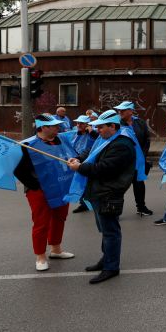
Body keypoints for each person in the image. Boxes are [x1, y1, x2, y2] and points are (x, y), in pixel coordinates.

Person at [66, 111, 137, 284]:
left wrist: (80, 168)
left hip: (109, 193)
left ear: (113, 126)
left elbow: (104, 168)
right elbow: (92, 153)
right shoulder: (106, 139)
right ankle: (106, 259)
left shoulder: (122, 144)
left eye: (101, 126)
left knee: (111, 231)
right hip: (99, 192)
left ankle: (111, 267)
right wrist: (78, 158)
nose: (97, 130)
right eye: (97, 126)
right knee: (105, 230)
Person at [13, 114, 78, 272]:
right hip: (39, 190)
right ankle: (40, 256)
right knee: (41, 222)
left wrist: (76, 161)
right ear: (43, 127)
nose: (58, 128)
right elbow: (18, 169)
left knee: (60, 218)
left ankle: (56, 249)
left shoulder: (62, 140)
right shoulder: (28, 145)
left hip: (62, 186)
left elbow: (74, 155)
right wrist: (36, 186)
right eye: (54, 126)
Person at [114, 101, 153, 217]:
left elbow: (147, 139)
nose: (119, 112)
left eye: (123, 110)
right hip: (123, 161)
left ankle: (141, 207)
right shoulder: (117, 124)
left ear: (130, 111)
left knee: (139, 184)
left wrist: (143, 155)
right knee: (119, 186)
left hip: (138, 160)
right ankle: (115, 211)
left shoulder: (140, 122)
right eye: (119, 110)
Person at [65, 114, 99, 214]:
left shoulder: (93, 134)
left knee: (88, 184)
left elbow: (97, 143)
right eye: (78, 123)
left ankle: (91, 203)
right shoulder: (76, 134)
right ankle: (84, 204)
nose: (78, 125)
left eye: (81, 123)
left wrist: (91, 132)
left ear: (87, 125)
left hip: (89, 162)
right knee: (80, 183)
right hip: (77, 161)